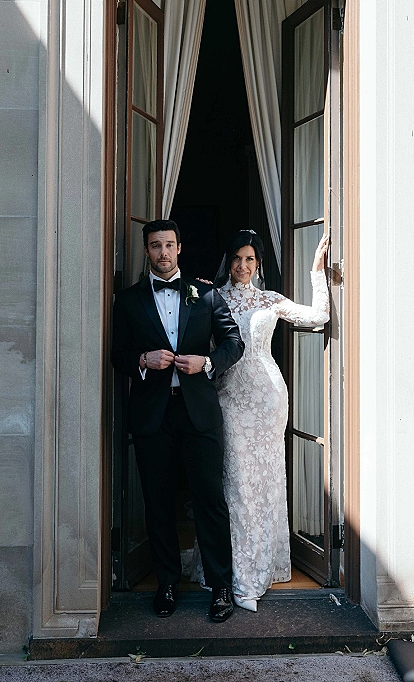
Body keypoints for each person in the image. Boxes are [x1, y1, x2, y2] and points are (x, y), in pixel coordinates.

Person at [111, 219, 245, 622]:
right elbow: (117, 354)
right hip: (153, 415)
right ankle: (166, 583)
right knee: (158, 502)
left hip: (198, 413)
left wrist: (208, 363)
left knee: (210, 501)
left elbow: (233, 342)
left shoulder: (206, 294)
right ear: (147, 251)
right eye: (156, 246)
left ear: (179, 249)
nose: (163, 253)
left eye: (169, 245)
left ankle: (220, 587)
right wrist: (142, 359)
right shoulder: (128, 300)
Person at [212, 229, 329, 612]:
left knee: (265, 482)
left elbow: (319, 317)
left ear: (258, 263)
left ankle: (261, 568)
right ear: (228, 261)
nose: (242, 265)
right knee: (237, 484)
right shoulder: (213, 297)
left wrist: (317, 271)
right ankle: (236, 574)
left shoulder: (270, 299)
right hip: (230, 398)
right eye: (237, 258)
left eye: (250, 259)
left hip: (268, 399)